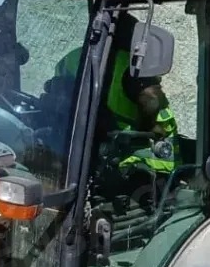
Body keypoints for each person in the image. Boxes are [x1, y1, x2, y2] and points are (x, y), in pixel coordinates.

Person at [51, 45, 179, 175]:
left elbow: (54, 87)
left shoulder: (76, 56)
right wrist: (148, 127)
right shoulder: (130, 64)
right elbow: (151, 97)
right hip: (138, 163)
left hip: (143, 162)